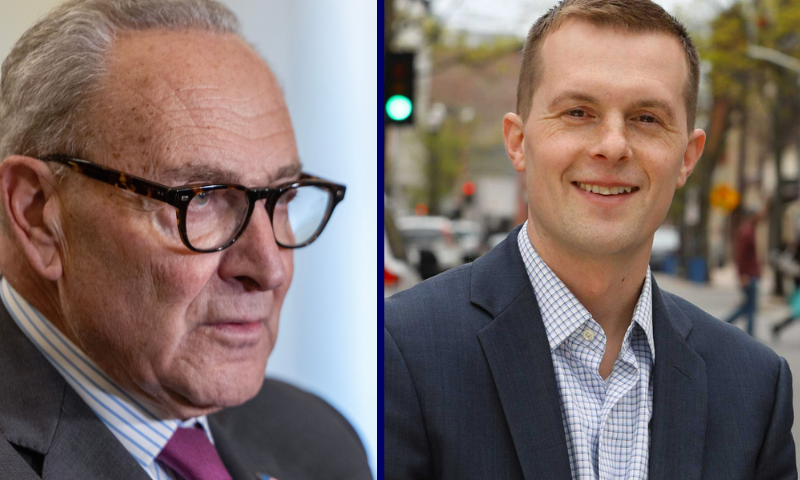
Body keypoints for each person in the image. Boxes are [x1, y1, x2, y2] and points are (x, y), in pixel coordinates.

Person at [384, 0, 796, 478]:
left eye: (646, 118)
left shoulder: (754, 389)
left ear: (687, 157)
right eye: (578, 112)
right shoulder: (399, 353)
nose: (613, 145)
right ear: (518, 142)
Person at [0, 1, 371, 479]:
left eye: (281, 196)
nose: (270, 268)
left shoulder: (319, 439)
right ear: (36, 213)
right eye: (201, 198)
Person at [724, 208, 765, 336]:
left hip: (751, 273)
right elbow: (740, 256)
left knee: (748, 306)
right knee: (750, 307)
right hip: (748, 275)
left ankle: (725, 325)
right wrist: (742, 275)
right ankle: (747, 333)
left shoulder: (750, 229)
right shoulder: (746, 232)